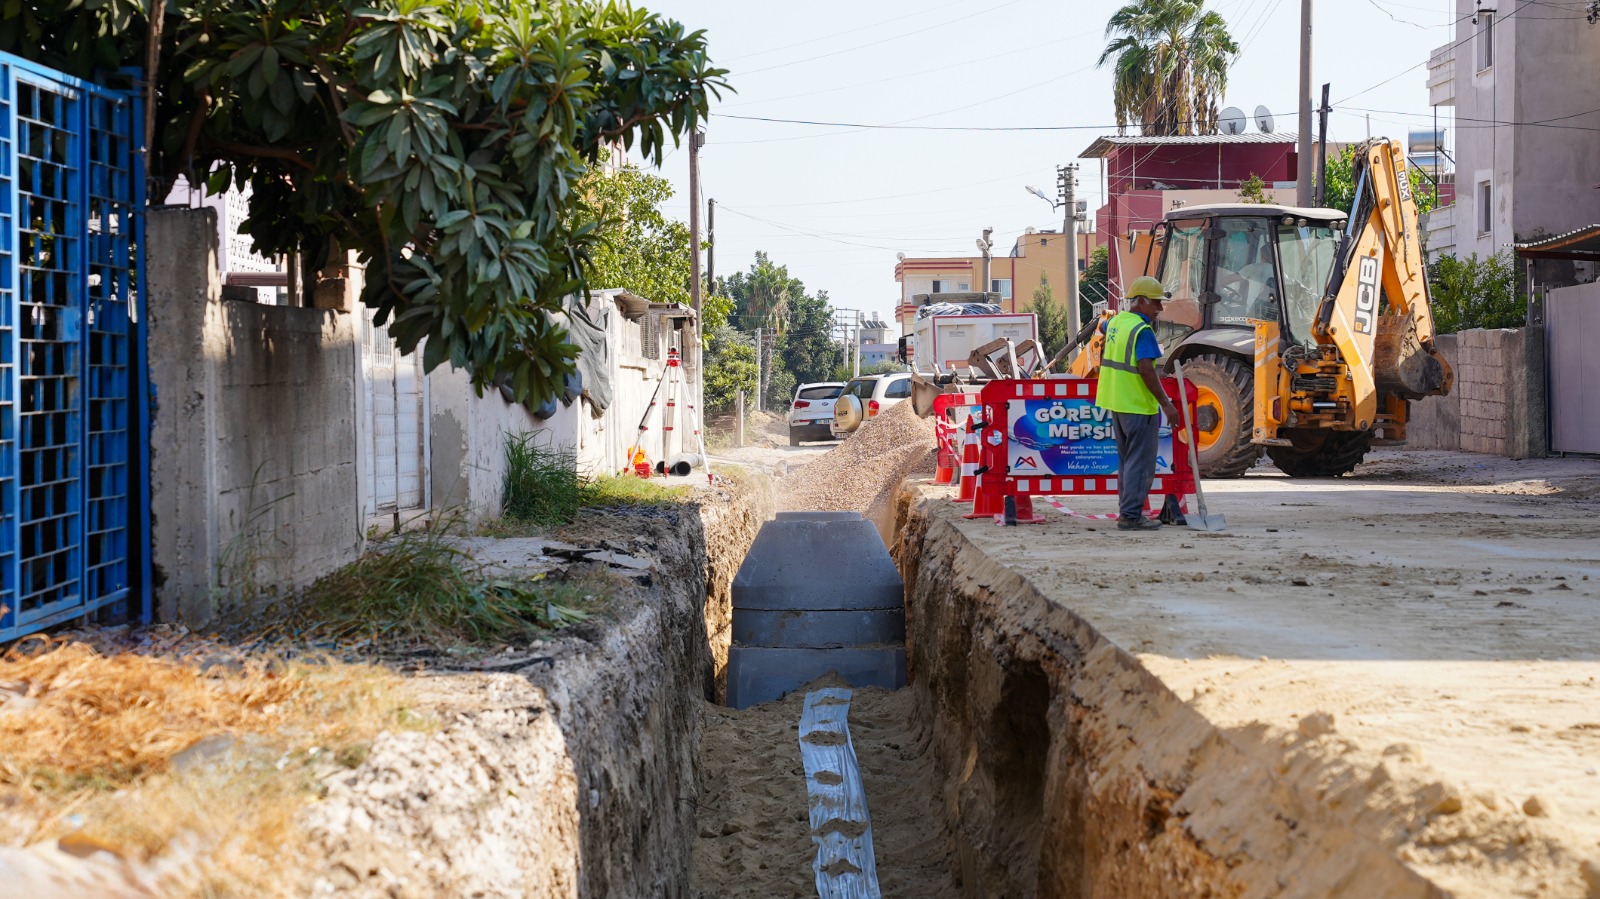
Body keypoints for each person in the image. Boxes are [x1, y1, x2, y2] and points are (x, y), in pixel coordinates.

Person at [1095, 276, 1181, 531]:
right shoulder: (1142, 330)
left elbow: (1104, 334)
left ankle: (1127, 512)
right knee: (1139, 463)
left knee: (1127, 462)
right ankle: (1131, 516)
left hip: (1116, 402)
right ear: (1141, 302)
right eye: (1156, 303)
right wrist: (1167, 405)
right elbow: (1145, 369)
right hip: (1137, 405)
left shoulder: (1117, 322)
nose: (1160, 308)